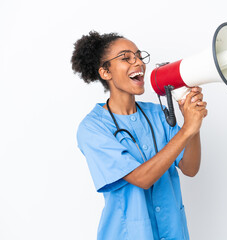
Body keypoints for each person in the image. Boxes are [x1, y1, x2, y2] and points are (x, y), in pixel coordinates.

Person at [71, 31, 208, 240]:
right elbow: (142, 179)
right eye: (126, 58)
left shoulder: (156, 114)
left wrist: (194, 123)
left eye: (139, 57)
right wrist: (187, 129)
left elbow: (190, 168)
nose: (139, 63)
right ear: (105, 72)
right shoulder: (92, 128)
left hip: (173, 232)